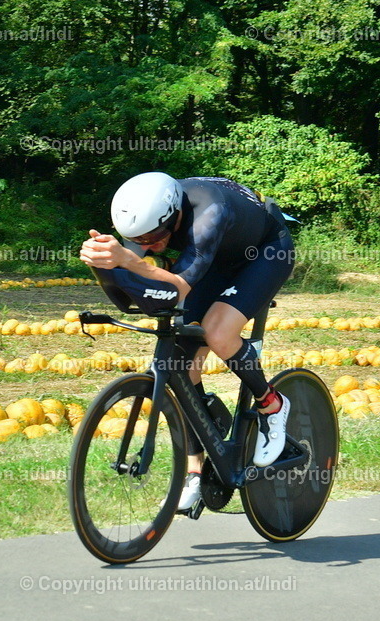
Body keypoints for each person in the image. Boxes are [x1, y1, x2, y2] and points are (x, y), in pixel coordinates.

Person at [79, 171, 295, 513]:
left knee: (217, 332)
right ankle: (195, 471)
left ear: (173, 215)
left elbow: (178, 285)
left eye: (151, 237)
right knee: (180, 364)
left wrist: (131, 260)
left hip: (264, 255)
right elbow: (147, 284)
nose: (146, 245)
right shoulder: (151, 221)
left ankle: (272, 404)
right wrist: (104, 264)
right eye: (136, 238)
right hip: (212, 260)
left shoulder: (209, 213)